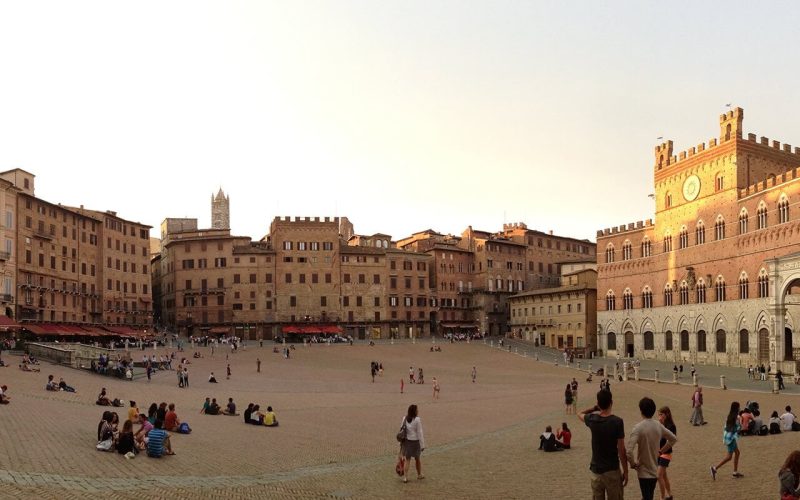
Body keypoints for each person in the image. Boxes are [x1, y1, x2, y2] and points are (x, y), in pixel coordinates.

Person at [578, 389, 628, 500]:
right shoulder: (617, 422)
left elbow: (579, 414)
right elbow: (621, 450)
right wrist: (626, 471)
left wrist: (594, 408)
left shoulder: (592, 419)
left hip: (596, 471)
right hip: (612, 470)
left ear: (598, 403)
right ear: (611, 402)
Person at [626, 397, 677, 500]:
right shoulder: (658, 425)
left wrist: (633, 464)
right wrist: (661, 451)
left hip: (643, 471)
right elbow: (673, 439)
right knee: (648, 496)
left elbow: (629, 451)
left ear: (641, 411)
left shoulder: (638, 428)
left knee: (647, 496)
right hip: (654, 469)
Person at [711, 401, 743, 480]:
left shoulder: (729, 416)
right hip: (731, 438)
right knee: (729, 457)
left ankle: (735, 472)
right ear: (737, 408)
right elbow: (738, 428)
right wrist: (741, 423)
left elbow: (726, 426)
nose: (740, 408)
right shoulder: (737, 417)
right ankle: (714, 468)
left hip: (728, 436)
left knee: (737, 453)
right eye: (739, 407)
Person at [400, 404, 425, 483]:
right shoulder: (417, 420)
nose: (418, 411)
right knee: (417, 459)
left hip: (408, 442)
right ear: (414, 411)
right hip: (416, 442)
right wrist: (422, 445)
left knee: (408, 460)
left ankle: (405, 477)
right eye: (417, 410)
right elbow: (420, 433)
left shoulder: (404, 418)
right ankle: (419, 474)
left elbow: (402, 429)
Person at [657, 406, 677, 500]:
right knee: (664, 476)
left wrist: (661, 451)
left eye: (661, 414)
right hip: (659, 453)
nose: (659, 416)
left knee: (659, 475)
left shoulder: (671, 426)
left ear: (667, 414)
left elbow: (670, 442)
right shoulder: (660, 425)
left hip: (666, 453)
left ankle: (662, 497)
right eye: (658, 414)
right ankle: (670, 494)